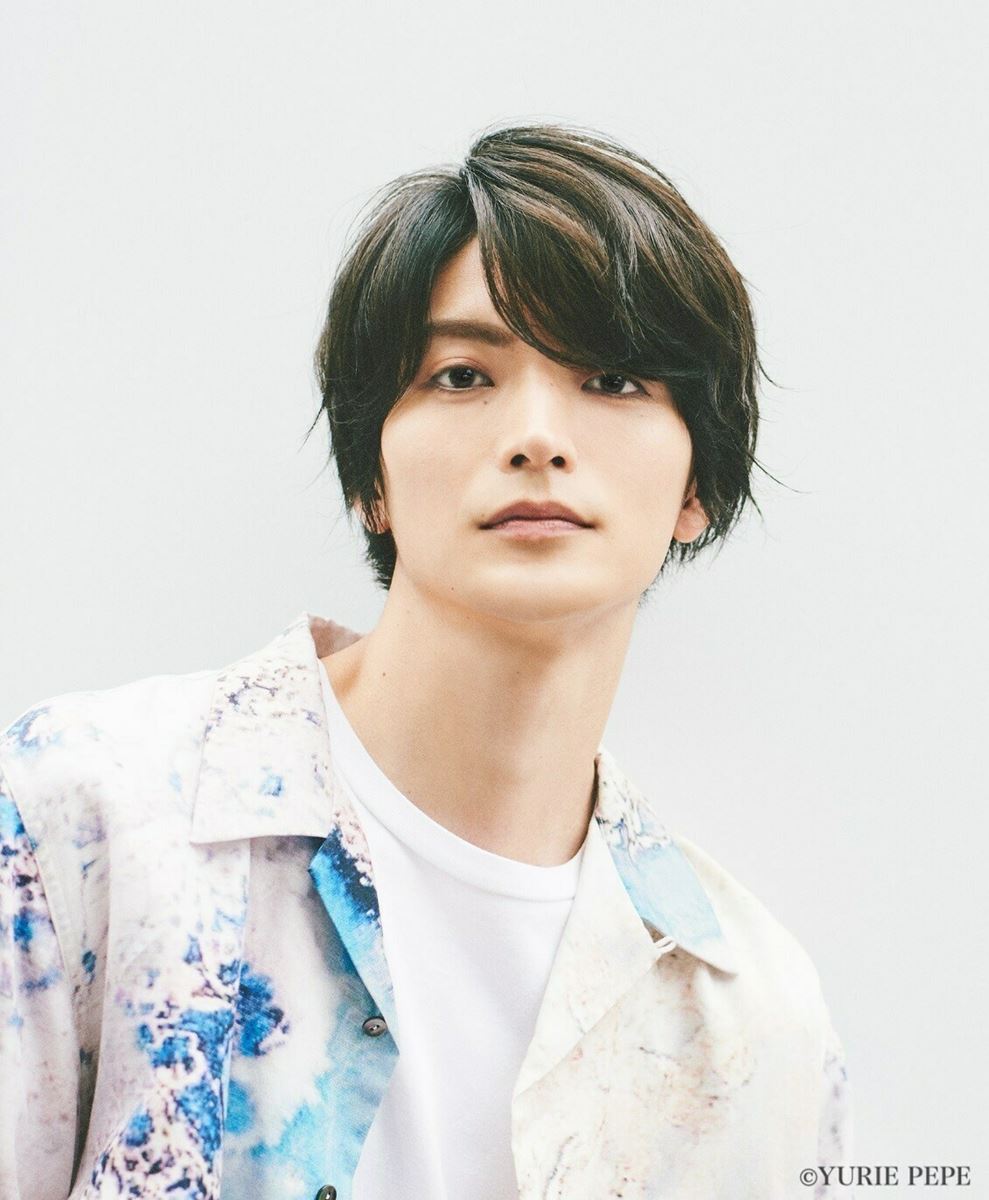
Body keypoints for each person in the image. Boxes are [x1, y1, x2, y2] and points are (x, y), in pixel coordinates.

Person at [0, 122, 853, 1200]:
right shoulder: (84, 818)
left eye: (612, 379)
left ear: (696, 489)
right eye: (460, 375)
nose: (536, 436)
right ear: (371, 478)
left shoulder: (754, 1019)